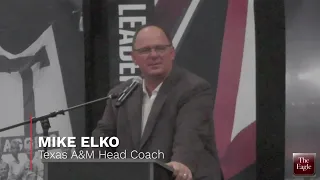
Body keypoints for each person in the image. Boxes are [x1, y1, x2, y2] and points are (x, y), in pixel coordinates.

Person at [92, 24, 222, 180]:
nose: (153, 55)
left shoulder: (194, 89)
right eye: (145, 50)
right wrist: (85, 163)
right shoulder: (121, 94)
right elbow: (103, 138)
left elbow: (190, 135)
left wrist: (180, 162)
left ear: (172, 53)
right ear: (133, 58)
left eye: (160, 48)